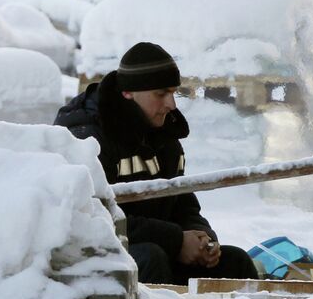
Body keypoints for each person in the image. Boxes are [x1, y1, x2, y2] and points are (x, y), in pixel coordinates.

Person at [55, 42, 258, 284]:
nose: (171, 105)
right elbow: (93, 218)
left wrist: (202, 239)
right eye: (160, 94)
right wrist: (177, 240)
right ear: (129, 93)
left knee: (236, 262)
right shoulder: (87, 140)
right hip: (95, 259)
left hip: (159, 245)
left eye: (173, 93)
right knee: (151, 257)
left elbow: (183, 203)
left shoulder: (163, 136)